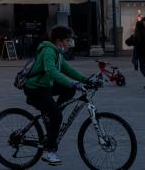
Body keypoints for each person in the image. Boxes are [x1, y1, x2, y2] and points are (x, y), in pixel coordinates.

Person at [22, 25, 92, 167]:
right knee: (57, 116)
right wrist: (73, 84)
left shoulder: (57, 53)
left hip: (45, 86)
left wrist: (87, 80)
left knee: (68, 92)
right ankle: (49, 151)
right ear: (59, 41)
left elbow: (68, 69)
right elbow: (51, 72)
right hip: (35, 89)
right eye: (68, 40)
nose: (69, 43)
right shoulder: (48, 51)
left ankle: (52, 114)